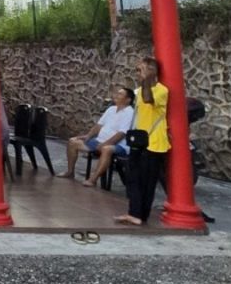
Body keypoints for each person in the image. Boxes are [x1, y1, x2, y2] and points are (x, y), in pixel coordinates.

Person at [115, 57, 170, 226]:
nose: (138, 74)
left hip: (154, 142)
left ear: (152, 71)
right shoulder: (139, 91)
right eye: (137, 70)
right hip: (139, 140)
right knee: (133, 179)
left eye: (141, 70)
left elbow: (148, 99)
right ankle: (134, 213)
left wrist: (146, 80)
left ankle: (140, 215)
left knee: (147, 182)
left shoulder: (161, 90)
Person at [57, 86, 135, 187]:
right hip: (99, 141)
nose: (116, 95)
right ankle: (70, 172)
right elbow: (99, 125)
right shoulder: (111, 109)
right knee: (73, 141)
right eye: (117, 93)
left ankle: (93, 179)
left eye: (120, 94)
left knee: (106, 149)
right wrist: (88, 136)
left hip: (118, 145)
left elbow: (122, 134)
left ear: (128, 100)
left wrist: (105, 144)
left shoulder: (130, 112)